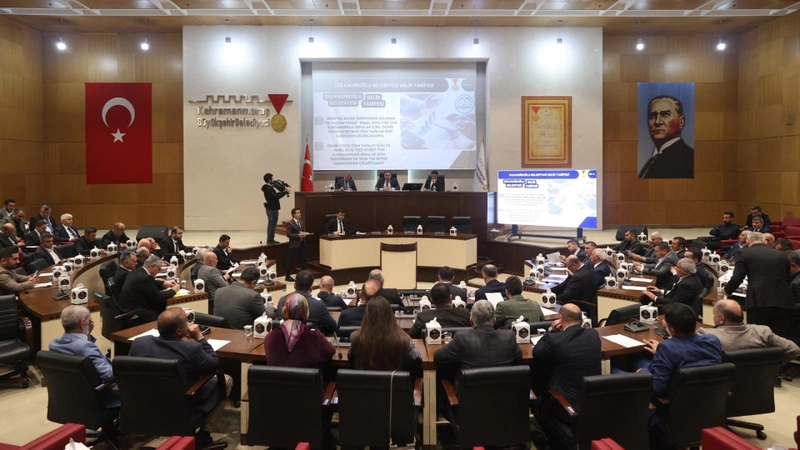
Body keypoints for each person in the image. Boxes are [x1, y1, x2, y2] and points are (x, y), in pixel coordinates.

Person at [129, 307, 232, 449]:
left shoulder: (139, 343)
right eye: (186, 323)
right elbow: (214, 363)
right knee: (225, 379)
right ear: (179, 331)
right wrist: (199, 337)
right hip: (183, 406)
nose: (189, 325)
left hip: (147, 403)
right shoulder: (191, 349)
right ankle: (203, 437)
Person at [724, 232, 796, 337]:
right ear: (764, 241)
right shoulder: (782, 254)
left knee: (757, 337)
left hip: (758, 300)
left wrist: (726, 291)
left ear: (748, 241)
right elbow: (787, 277)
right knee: (780, 338)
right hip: (784, 300)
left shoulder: (744, 253)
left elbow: (737, 278)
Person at [49, 305, 119, 408]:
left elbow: (81, 349)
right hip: (101, 399)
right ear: (82, 323)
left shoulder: (53, 345)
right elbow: (108, 375)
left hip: (70, 399)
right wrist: (123, 367)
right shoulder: (86, 347)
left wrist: (87, 334)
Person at [532, 303, 601, 406]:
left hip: (565, 404)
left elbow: (537, 352)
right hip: (591, 401)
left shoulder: (554, 339)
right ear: (581, 320)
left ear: (561, 319)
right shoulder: (593, 334)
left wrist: (551, 330)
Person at [697, 299, 800, 364]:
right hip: (757, 387)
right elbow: (794, 349)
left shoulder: (707, 336)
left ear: (721, 319)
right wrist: (771, 367)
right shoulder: (763, 332)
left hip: (723, 388)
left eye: (714, 314)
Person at [434, 299, 521, 372]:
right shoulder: (509, 336)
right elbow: (518, 358)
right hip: (504, 387)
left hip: (470, 387)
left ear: (471, 321)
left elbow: (438, 357)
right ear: (494, 321)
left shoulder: (462, 338)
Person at [264, 293, 335, 367]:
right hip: (308, 374)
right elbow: (330, 352)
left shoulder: (270, 337)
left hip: (277, 375)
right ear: (306, 313)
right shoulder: (315, 337)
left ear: (284, 311)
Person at [349, 297, 420, 371]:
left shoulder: (356, 337)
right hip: (393, 378)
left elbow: (351, 359)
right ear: (390, 314)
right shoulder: (401, 340)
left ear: (366, 315)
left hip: (364, 378)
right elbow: (416, 361)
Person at [638, 95, 694, 179]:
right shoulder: (651, 162)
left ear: (681, 122)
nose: (657, 122)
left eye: (665, 115)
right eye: (653, 116)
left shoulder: (689, 159)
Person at [118, 255, 179, 322]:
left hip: (130, 308)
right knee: (167, 310)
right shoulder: (144, 278)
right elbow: (159, 297)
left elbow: (150, 282)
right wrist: (173, 290)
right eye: (159, 269)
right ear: (153, 266)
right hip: (135, 314)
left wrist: (163, 283)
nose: (158, 271)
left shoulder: (137, 271)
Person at [275, 270, 337, 335]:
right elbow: (333, 327)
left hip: (285, 339)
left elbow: (280, 323)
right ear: (311, 288)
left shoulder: (283, 300)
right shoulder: (318, 305)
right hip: (311, 339)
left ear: (294, 285)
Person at [551, 255, 599, 322]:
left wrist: (555, 297)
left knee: (552, 303)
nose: (568, 269)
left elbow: (568, 295)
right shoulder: (587, 269)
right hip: (587, 300)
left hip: (579, 303)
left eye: (568, 267)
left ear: (574, 265)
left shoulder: (578, 277)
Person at [262, 173, 290, 244]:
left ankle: (269, 239)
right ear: (269, 180)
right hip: (273, 208)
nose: (273, 180)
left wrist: (283, 192)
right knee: (273, 224)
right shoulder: (269, 189)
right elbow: (275, 197)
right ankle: (270, 240)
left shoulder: (267, 188)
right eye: (272, 178)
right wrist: (284, 193)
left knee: (270, 224)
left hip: (269, 208)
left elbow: (275, 195)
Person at [285, 207, 308, 281]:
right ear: (293, 215)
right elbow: (288, 234)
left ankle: (304, 275)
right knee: (291, 261)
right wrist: (298, 236)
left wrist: (304, 235)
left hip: (301, 243)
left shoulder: (300, 222)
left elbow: (302, 231)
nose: (300, 214)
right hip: (294, 245)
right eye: (298, 213)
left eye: (300, 213)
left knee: (303, 260)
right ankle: (287, 276)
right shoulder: (290, 223)